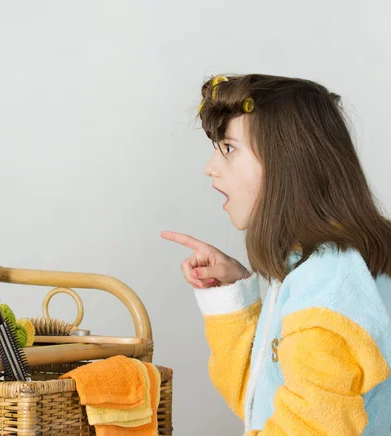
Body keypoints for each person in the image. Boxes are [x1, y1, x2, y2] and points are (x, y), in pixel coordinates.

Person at [162, 74, 391, 435]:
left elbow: (310, 427)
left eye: (229, 148)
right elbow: (261, 403)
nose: (210, 165)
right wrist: (233, 296)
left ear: (288, 162)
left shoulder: (328, 285)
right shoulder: (319, 270)